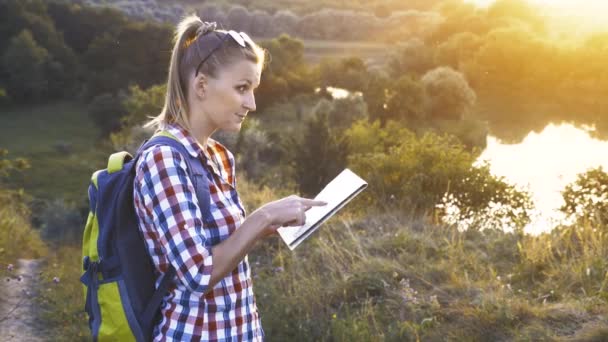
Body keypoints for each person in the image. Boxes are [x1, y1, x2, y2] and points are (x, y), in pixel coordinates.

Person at [132, 14, 326, 341]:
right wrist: (262, 215)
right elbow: (198, 273)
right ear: (202, 85)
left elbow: (221, 244)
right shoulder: (163, 159)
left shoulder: (220, 157)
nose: (251, 103)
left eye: (253, 89)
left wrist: (268, 225)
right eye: (241, 88)